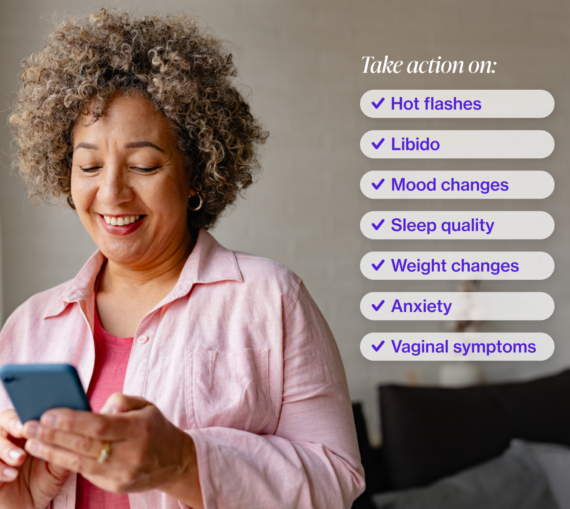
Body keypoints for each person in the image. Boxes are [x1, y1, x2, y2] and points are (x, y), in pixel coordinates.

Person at [0, 8, 365, 509]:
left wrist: (183, 462)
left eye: (144, 164)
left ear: (195, 173)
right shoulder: (28, 328)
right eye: (88, 165)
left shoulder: (271, 300)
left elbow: (337, 479)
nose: (111, 192)